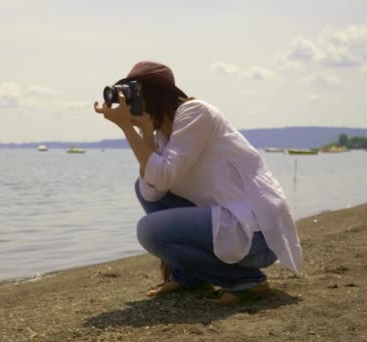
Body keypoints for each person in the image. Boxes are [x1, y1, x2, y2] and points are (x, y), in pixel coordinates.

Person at [93, 61, 302, 305]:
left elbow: (163, 175)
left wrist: (127, 128)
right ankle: (191, 277)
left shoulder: (196, 113)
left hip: (259, 234)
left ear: (151, 93)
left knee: (148, 231)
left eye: (131, 94)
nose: (127, 103)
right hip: (234, 220)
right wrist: (145, 133)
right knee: (141, 190)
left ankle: (245, 281)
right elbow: (152, 192)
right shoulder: (162, 133)